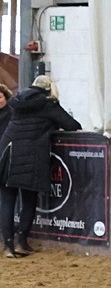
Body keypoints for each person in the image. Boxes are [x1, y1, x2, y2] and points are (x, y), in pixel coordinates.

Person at [0, 75, 81, 258]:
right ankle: (21, 243)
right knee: (29, 200)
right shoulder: (48, 104)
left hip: (6, 153)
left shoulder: (17, 102)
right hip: (30, 156)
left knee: (7, 201)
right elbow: (71, 125)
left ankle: (8, 246)